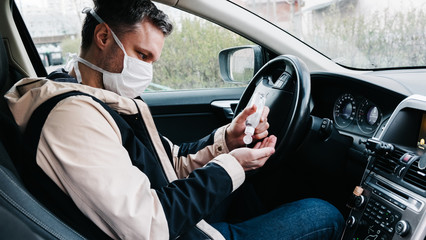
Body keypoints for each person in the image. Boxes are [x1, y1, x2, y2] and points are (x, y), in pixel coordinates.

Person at [5, 0, 344, 239]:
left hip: (175, 220)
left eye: (152, 60)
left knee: (254, 191)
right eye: (141, 55)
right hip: (173, 231)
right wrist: (233, 166)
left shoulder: (99, 101)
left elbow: (170, 164)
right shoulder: (72, 117)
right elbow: (148, 227)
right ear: (104, 37)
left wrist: (227, 141)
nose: (146, 70)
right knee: (323, 214)